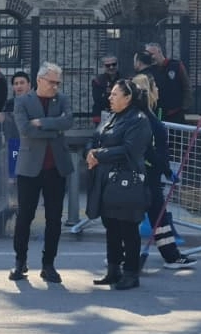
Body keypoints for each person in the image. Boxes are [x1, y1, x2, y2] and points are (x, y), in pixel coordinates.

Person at [10, 62, 74, 283]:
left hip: (56, 167)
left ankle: (49, 264)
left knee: (54, 218)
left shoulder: (62, 99)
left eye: (58, 83)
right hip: (30, 168)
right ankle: (20, 261)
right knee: (24, 217)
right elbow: (25, 129)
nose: (55, 86)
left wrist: (42, 123)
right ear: (39, 80)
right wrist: (54, 129)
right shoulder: (22, 101)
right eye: (51, 82)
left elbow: (68, 121)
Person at [86, 79, 152, 290]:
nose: (110, 98)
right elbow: (96, 138)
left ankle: (131, 272)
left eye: (115, 94)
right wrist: (90, 152)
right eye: (111, 94)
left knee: (128, 227)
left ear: (128, 97)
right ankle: (113, 270)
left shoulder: (139, 120)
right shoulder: (113, 116)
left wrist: (99, 155)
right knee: (111, 225)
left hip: (126, 180)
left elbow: (130, 150)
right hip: (106, 179)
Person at [130, 73, 195, 270]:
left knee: (157, 215)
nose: (158, 90)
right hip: (148, 174)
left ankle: (169, 255)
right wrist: (166, 170)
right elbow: (150, 150)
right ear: (148, 91)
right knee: (152, 214)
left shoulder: (146, 114)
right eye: (155, 86)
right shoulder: (144, 118)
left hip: (149, 173)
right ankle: (168, 256)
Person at [145, 42, 190, 124]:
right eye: (147, 55)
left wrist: (184, 107)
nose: (150, 57)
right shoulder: (150, 70)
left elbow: (186, 86)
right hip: (158, 113)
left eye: (152, 54)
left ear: (159, 52)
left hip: (175, 112)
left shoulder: (176, 65)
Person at [90, 57, 118, 126]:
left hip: (119, 113)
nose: (111, 67)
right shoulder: (98, 81)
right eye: (108, 65)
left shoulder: (123, 79)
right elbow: (97, 99)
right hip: (102, 113)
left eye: (114, 64)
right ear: (104, 67)